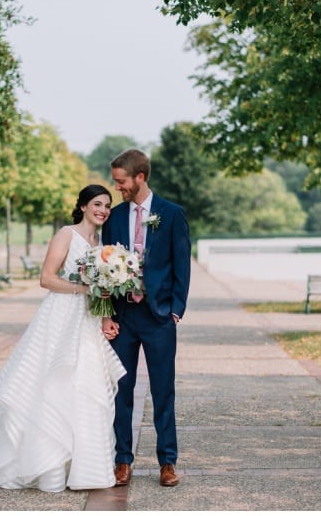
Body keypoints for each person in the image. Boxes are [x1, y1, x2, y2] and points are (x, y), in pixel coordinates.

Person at [0, 184, 126, 493]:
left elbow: (103, 287)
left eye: (107, 205)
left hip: (88, 321)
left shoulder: (103, 243)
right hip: (60, 317)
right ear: (82, 206)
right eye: (97, 203)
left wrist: (107, 318)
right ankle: (49, 468)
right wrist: (84, 288)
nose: (103, 210)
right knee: (54, 384)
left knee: (87, 389)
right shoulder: (66, 235)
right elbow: (46, 278)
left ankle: (85, 469)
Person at [101, 148, 191, 488]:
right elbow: (106, 264)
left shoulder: (172, 214)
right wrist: (107, 314)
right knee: (121, 389)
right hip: (124, 316)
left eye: (121, 182)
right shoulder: (114, 217)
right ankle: (122, 460)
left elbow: (182, 263)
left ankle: (167, 462)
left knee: (163, 390)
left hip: (158, 317)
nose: (118, 188)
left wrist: (176, 310)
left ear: (140, 177)